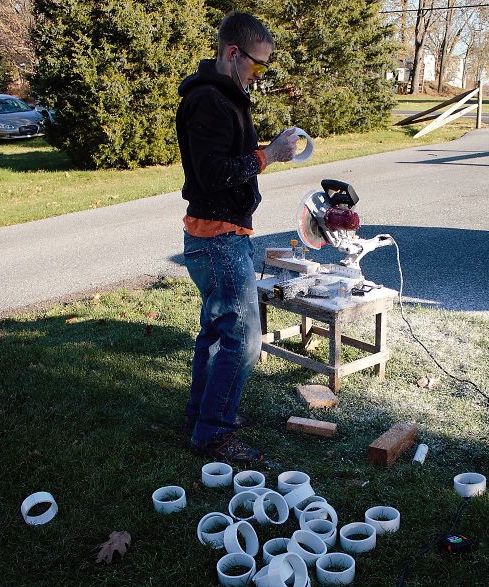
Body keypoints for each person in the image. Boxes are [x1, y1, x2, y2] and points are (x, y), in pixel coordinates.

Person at [175, 11, 298, 462]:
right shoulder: (209, 99)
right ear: (233, 53)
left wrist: (267, 148)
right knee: (243, 338)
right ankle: (214, 434)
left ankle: (202, 417)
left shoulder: (225, 97)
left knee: (216, 332)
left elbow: (227, 156)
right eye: (258, 65)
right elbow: (211, 175)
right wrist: (267, 157)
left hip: (222, 235)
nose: (259, 75)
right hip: (218, 238)